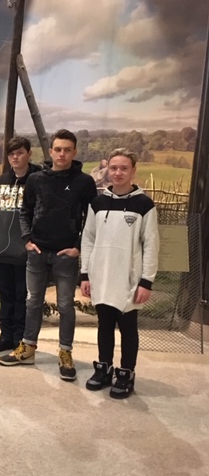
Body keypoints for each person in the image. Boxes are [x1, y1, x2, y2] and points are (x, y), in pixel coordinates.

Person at [0, 129, 97, 381]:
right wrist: (27, 240)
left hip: (66, 254)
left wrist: (78, 247)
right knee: (32, 301)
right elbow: (25, 211)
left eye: (67, 150)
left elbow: (91, 219)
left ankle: (65, 352)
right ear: (50, 151)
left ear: (74, 152)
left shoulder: (84, 182)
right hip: (38, 252)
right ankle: (28, 347)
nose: (62, 154)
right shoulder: (36, 180)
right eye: (58, 149)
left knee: (65, 305)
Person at [80, 148, 159, 399]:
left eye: (124, 168)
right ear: (108, 170)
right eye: (113, 168)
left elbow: (151, 245)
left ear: (133, 171)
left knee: (127, 328)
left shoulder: (143, 204)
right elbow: (88, 239)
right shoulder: (98, 203)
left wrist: (146, 281)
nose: (118, 173)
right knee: (104, 325)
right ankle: (104, 368)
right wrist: (85, 274)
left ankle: (126, 373)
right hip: (101, 276)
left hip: (128, 280)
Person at [0, 137, 41, 353]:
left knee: (23, 297)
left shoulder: (38, 179)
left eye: (19, 153)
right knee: (6, 295)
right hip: (3, 249)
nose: (15, 157)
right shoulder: (2, 180)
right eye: (11, 154)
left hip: (26, 251)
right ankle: (6, 336)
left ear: (29, 154)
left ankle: (20, 339)